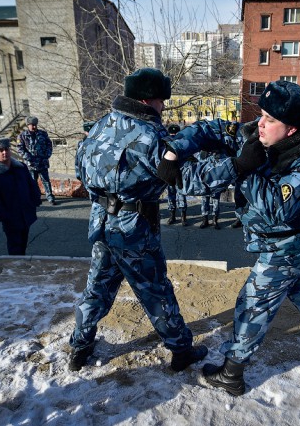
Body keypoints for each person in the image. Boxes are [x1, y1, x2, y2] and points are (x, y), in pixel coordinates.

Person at [158, 80, 300, 396]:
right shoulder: (258, 134)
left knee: (252, 304)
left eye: (270, 120)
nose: (259, 124)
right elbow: (213, 130)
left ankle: (232, 373)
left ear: (291, 129)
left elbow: (278, 208)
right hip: (287, 244)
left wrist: (244, 169)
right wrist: (175, 150)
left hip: (288, 246)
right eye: (261, 115)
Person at [69, 67, 207, 372]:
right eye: (161, 102)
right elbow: (190, 181)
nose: (163, 108)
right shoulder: (150, 135)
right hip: (134, 230)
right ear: (148, 100)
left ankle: (79, 346)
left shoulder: (101, 125)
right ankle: (181, 350)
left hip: (102, 223)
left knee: (97, 288)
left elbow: (81, 169)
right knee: (155, 292)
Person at [0, 137, 41, 255]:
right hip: (11, 219)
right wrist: (5, 217)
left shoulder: (21, 168)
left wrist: (34, 201)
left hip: (25, 214)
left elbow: (32, 185)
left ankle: (21, 266)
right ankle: (16, 270)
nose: (5, 152)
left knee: (23, 244)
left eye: (7, 149)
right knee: (15, 248)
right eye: (1, 150)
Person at [17, 116, 57, 205]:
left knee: (46, 180)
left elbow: (49, 144)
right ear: (28, 125)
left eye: (35, 125)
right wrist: (28, 158)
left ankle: (50, 196)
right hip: (31, 164)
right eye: (32, 125)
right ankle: (36, 197)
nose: (34, 127)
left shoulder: (43, 134)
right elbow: (20, 149)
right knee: (32, 182)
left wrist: (47, 155)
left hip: (42, 162)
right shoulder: (22, 136)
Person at [165, 125, 188, 225]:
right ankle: (172, 216)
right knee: (170, 195)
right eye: (172, 134)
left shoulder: (183, 144)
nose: (173, 136)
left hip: (181, 173)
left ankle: (183, 217)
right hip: (169, 173)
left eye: (175, 134)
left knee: (181, 194)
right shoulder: (165, 144)